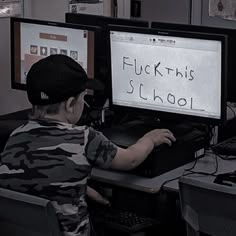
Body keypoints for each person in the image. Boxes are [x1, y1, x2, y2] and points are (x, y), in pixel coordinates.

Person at [0, 54, 175, 236]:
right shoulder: (84, 138)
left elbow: (36, 183)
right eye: (83, 98)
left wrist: (79, 187)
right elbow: (130, 160)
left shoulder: (16, 135)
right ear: (70, 104)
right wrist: (149, 140)